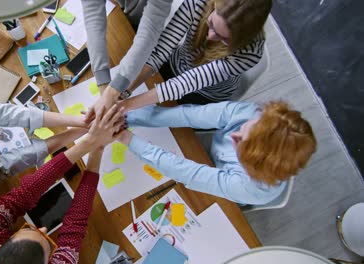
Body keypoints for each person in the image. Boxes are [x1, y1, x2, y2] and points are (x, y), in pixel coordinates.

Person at [0, 105, 125, 264]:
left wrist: (89, 142)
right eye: (48, 243)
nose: (44, 229)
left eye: (30, 229)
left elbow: (22, 195)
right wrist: (98, 148)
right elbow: (76, 225)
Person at [118, 101, 317, 205]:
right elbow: (188, 114)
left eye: (240, 143)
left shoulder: (250, 187)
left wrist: (127, 138)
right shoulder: (252, 112)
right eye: (245, 128)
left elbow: (187, 172)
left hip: (226, 194)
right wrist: (126, 118)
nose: (233, 137)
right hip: (210, 160)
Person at [121, 0, 272, 110]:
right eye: (211, 23)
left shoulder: (251, 52)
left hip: (204, 93)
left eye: (224, 39)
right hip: (176, 63)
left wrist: (125, 105)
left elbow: (188, 82)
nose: (211, 36)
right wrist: (124, 91)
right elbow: (161, 50)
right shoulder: (200, 2)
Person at [81, 0, 173, 121]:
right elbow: (93, 13)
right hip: (127, 17)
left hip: (147, 24)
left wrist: (113, 91)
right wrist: (104, 86)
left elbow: (151, 27)